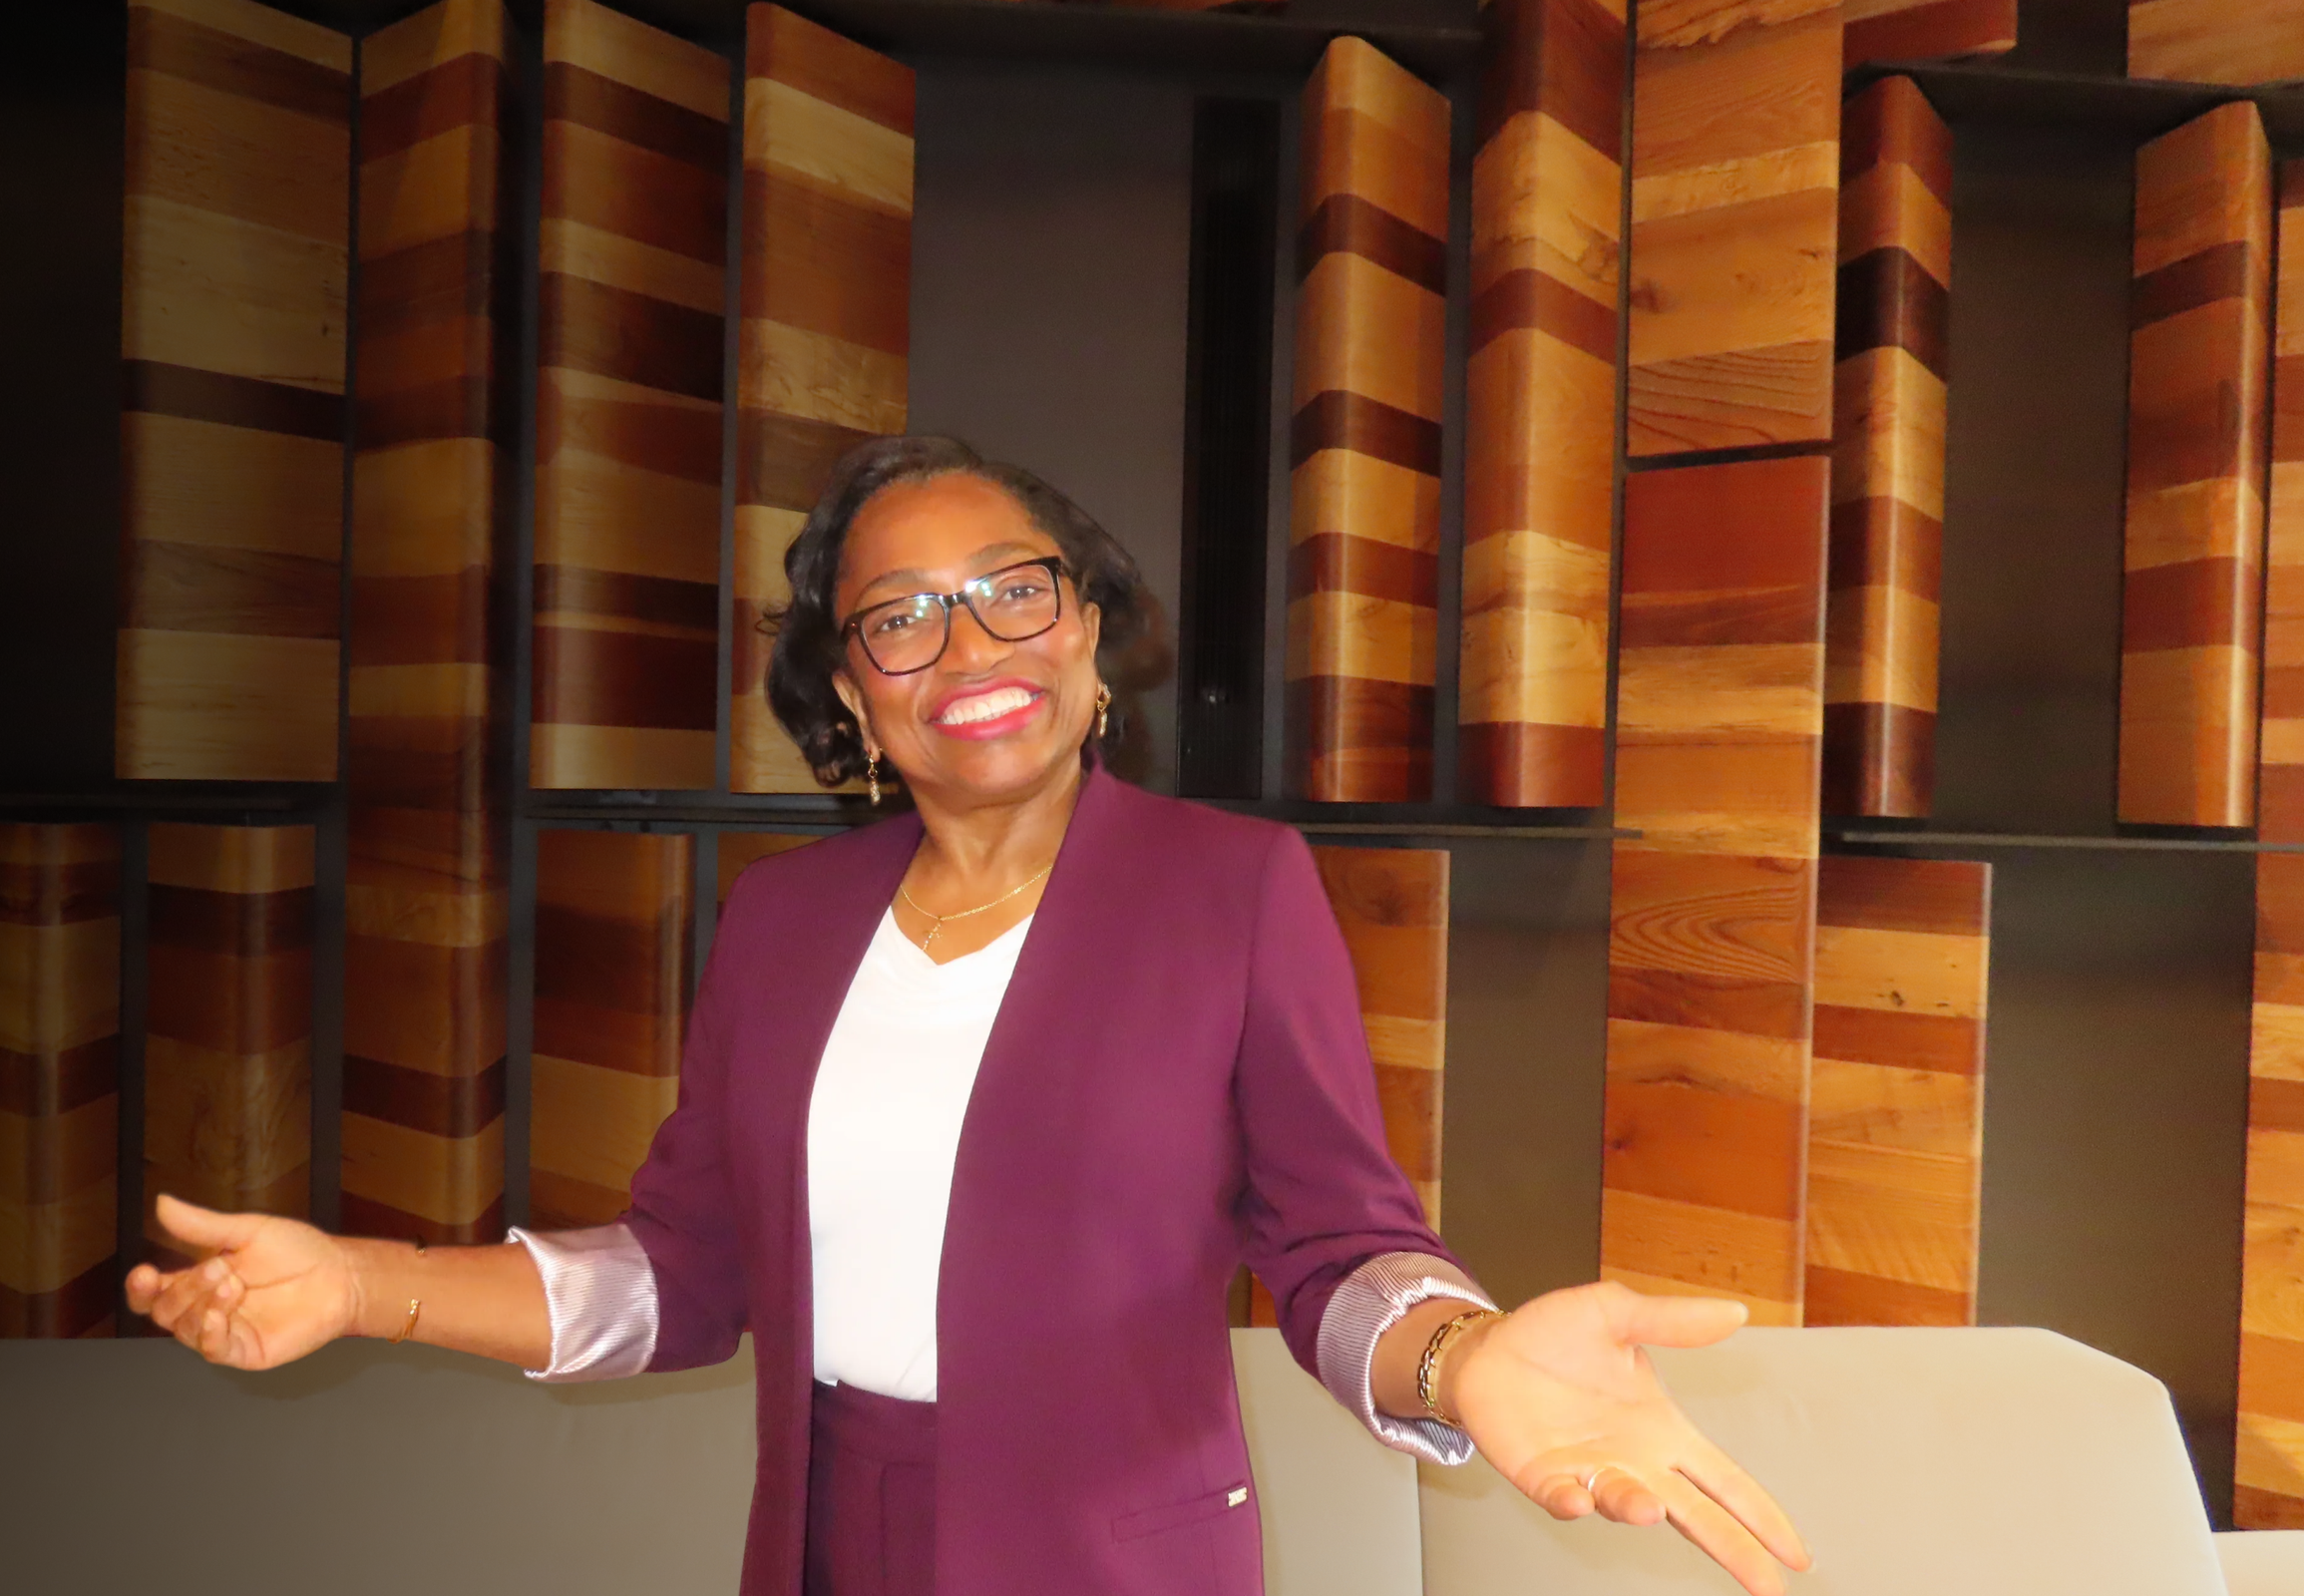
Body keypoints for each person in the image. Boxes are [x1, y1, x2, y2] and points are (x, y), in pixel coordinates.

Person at [129, 435, 1810, 1596]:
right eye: (900, 619)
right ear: (852, 694)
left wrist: (1464, 1354)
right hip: (826, 1543)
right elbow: (681, 1275)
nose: (970, 645)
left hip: (1113, 1561)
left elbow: (1332, 1245)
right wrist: (365, 1283)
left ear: (1089, 634)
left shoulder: (1231, 887)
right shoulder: (782, 922)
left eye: (1016, 589)